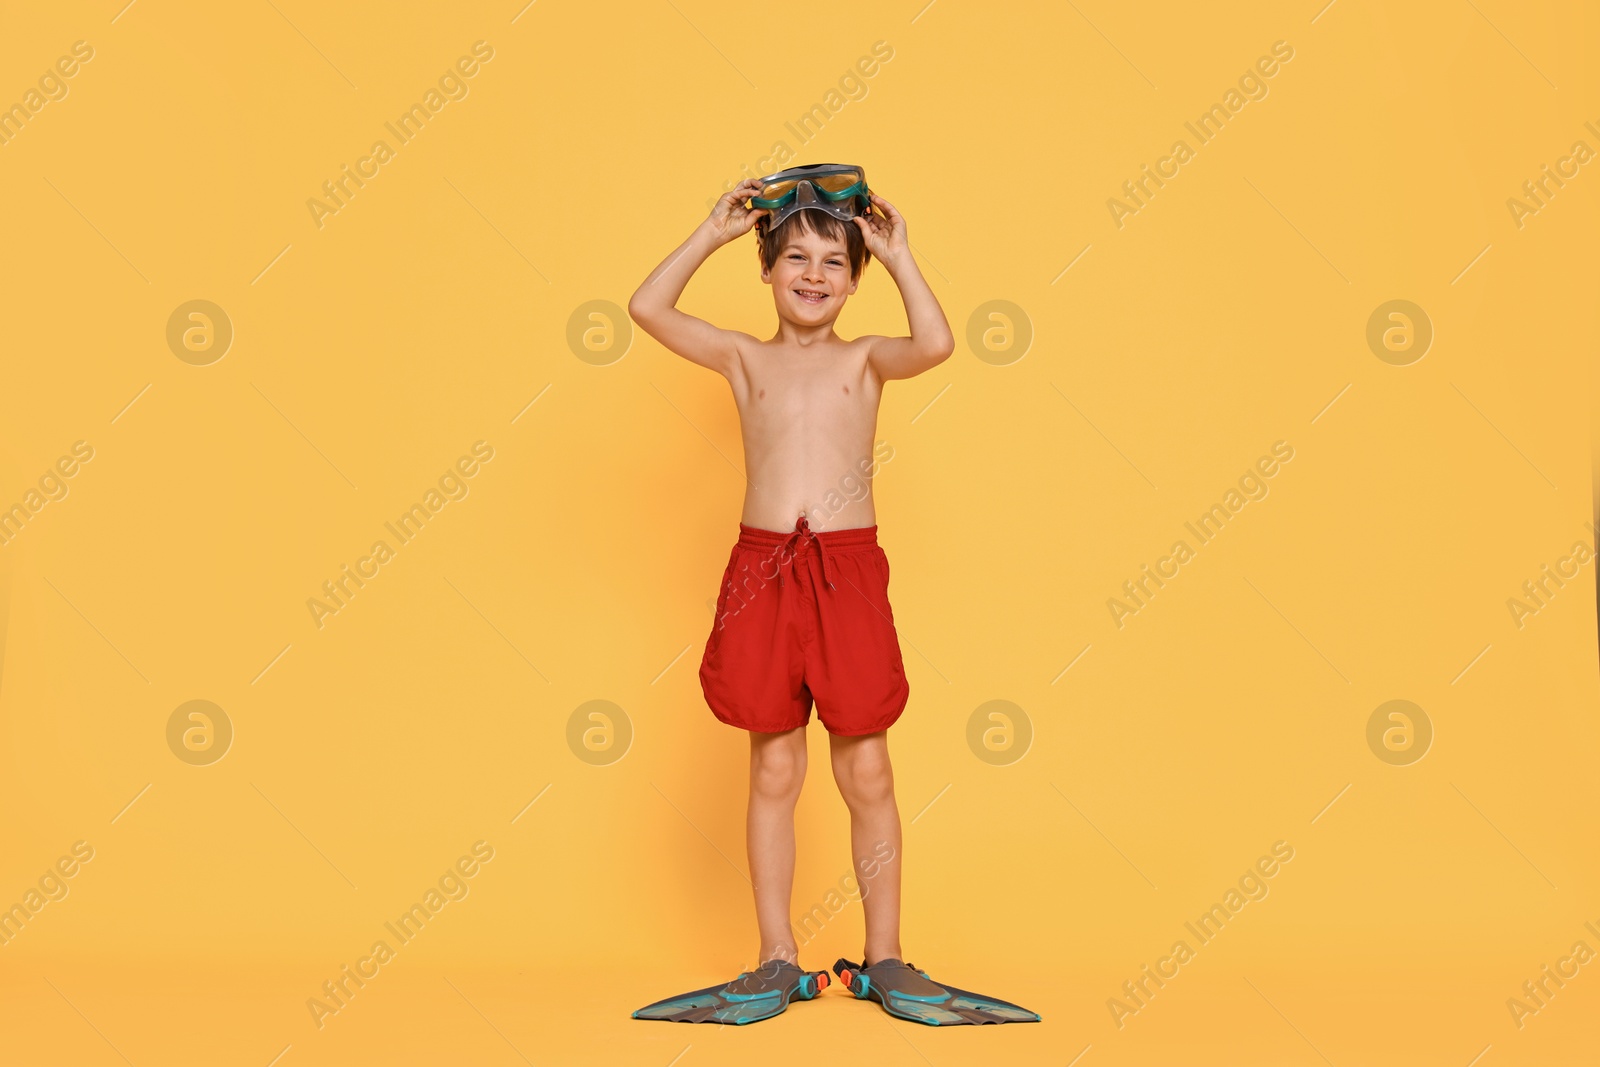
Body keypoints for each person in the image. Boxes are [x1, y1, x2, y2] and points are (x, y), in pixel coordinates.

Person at [628, 165, 1038, 1026]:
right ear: (768, 269)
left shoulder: (865, 360)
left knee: (868, 767)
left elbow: (935, 343)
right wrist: (711, 231)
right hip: (763, 570)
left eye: (834, 263)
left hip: (848, 574)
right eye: (796, 258)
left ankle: (885, 955)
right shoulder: (742, 359)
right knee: (774, 765)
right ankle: (778, 956)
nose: (814, 274)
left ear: (854, 281)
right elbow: (648, 308)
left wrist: (899, 253)